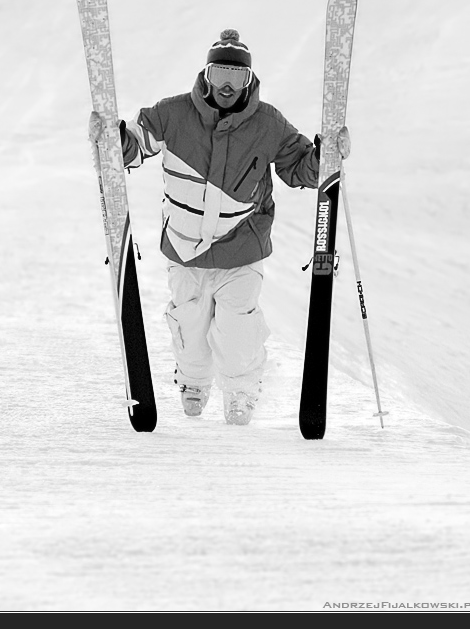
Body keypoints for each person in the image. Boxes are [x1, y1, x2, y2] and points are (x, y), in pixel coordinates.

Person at [89, 29, 350, 426]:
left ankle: (242, 391)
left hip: (241, 248)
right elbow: (135, 144)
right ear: (206, 74)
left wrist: (327, 155)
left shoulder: (268, 123)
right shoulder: (173, 113)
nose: (227, 87)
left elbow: (300, 169)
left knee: (237, 326)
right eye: (220, 75)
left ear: (249, 80)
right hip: (184, 246)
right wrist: (111, 140)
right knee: (189, 325)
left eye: (237, 78)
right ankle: (193, 382)